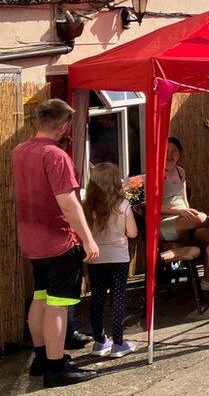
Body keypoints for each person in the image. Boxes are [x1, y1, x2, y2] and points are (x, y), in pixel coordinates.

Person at [12, 99, 99, 387]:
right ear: (63, 125)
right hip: (59, 240)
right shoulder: (56, 156)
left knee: (40, 297)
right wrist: (87, 239)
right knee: (58, 304)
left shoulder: (19, 151)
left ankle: (41, 359)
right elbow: (68, 202)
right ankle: (56, 366)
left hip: (31, 238)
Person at [162, 137, 209, 291]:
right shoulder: (155, 175)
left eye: (173, 151)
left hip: (185, 221)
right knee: (201, 217)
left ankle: (208, 278)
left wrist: (187, 213)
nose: (169, 154)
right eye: (166, 151)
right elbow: (151, 206)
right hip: (166, 223)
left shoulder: (181, 171)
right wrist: (180, 212)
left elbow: (184, 200)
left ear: (180, 154)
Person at [83, 163, 138, 358]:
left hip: (96, 259)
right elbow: (132, 233)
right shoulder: (123, 206)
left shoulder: (88, 207)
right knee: (118, 299)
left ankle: (99, 342)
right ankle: (118, 343)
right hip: (119, 259)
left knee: (97, 299)